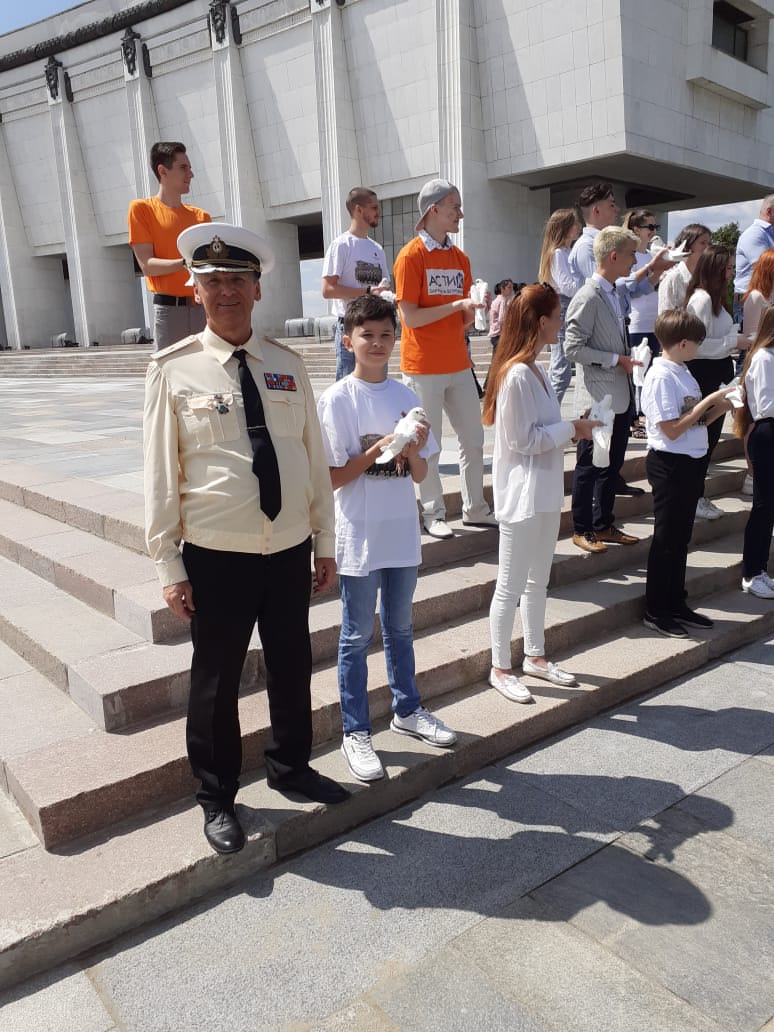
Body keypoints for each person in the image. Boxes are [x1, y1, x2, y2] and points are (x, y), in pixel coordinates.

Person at [143, 222, 349, 856]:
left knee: (291, 665)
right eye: (212, 281)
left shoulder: (288, 366)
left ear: (258, 289)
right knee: (216, 681)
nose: (225, 291)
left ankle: (291, 766)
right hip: (216, 553)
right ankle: (217, 796)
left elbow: (312, 460)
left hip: (287, 547)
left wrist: (323, 542)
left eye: (237, 279)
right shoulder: (172, 370)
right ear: (195, 291)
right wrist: (169, 565)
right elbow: (160, 475)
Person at [316, 294, 457, 781]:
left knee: (400, 628)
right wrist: (377, 449)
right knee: (356, 635)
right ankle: (355, 730)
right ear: (348, 341)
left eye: (385, 335)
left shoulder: (406, 396)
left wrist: (412, 450)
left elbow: (419, 474)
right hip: (359, 534)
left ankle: (408, 709)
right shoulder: (338, 399)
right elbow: (333, 477)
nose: (377, 344)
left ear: (396, 339)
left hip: (400, 532)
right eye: (367, 336)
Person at [482, 283, 599, 702]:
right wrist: (571, 429)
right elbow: (523, 440)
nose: (561, 323)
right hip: (521, 495)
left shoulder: (537, 370)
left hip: (545, 490)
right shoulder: (516, 374)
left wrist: (575, 426)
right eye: (558, 315)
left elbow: (543, 431)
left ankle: (535, 655)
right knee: (510, 585)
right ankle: (500, 667)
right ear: (542, 321)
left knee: (537, 581)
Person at [394, 178, 496, 539]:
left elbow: (462, 321)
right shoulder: (410, 256)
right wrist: (456, 304)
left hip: (458, 364)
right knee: (429, 446)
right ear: (433, 210)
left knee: (473, 440)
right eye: (455, 207)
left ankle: (475, 508)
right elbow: (410, 317)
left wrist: (474, 308)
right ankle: (433, 513)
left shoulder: (460, 259)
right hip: (422, 366)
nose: (461, 215)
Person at [640, 310, 734, 637]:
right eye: (696, 343)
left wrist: (721, 406)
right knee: (666, 539)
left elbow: (695, 422)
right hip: (670, 463)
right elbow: (671, 429)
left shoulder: (682, 370)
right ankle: (656, 609)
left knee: (681, 538)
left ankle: (675, 601)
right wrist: (709, 400)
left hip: (689, 460)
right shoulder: (661, 376)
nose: (699, 348)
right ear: (682, 343)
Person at [565, 227, 642, 554]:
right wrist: (615, 360)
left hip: (619, 396)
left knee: (611, 465)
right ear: (613, 256)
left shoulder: (613, 293)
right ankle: (582, 528)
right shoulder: (588, 296)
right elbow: (572, 348)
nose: (635, 261)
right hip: (597, 398)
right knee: (589, 466)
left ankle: (603, 523)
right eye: (631, 254)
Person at [128, 142, 211, 349]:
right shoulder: (142, 209)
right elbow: (147, 265)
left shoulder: (201, 217)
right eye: (183, 168)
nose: (191, 174)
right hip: (168, 312)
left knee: (205, 368)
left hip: (202, 309)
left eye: (190, 168)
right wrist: (186, 262)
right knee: (169, 368)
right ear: (163, 171)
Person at [684, 245, 741, 521]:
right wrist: (733, 341)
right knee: (702, 437)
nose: (731, 273)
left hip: (716, 371)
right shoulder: (702, 300)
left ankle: (696, 494)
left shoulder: (715, 299)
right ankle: (693, 496)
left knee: (710, 438)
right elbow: (697, 345)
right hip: (704, 374)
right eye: (727, 268)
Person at [321, 187, 390, 380]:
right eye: (374, 207)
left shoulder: (377, 249)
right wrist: (367, 291)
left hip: (377, 326)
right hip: (351, 326)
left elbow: (383, 286)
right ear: (359, 209)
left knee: (378, 386)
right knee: (348, 388)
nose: (378, 212)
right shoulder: (341, 245)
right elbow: (327, 289)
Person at [734, 305, 774, 600]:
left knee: (769, 507)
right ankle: (751, 573)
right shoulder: (763, 358)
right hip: (767, 432)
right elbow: (765, 405)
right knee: (763, 505)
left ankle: (760, 569)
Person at [538, 208, 583, 403]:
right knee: (561, 370)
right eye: (575, 224)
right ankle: (549, 411)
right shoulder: (558, 254)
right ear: (564, 227)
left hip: (565, 307)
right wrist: (588, 281)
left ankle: (547, 408)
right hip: (562, 307)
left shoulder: (566, 252)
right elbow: (568, 287)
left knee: (560, 367)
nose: (579, 227)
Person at [734, 195, 774, 322]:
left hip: (762, 300)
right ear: (769, 211)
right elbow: (767, 268)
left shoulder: (767, 234)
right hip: (751, 301)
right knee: (752, 336)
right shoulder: (755, 234)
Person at [657, 223, 711, 313]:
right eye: (703, 243)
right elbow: (664, 316)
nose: (707, 247)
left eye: (709, 243)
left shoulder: (707, 276)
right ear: (687, 246)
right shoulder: (672, 278)